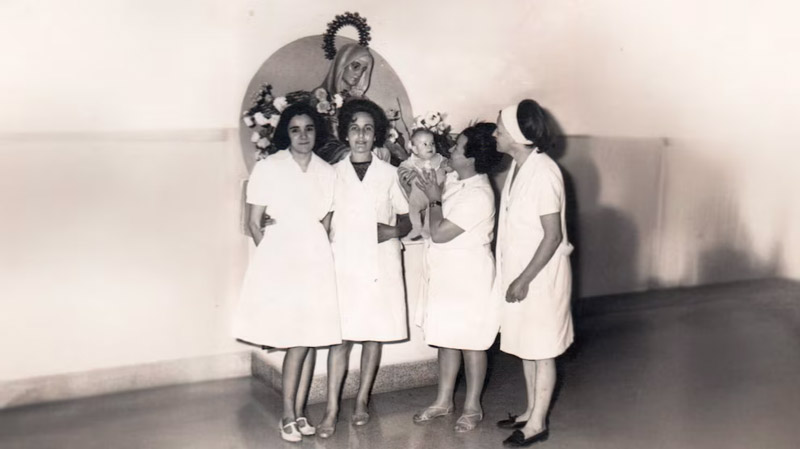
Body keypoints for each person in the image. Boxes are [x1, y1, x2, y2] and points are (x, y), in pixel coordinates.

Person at [232, 103, 340, 443]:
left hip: (315, 258)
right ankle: (288, 415)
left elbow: (326, 222)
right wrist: (275, 262)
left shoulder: (327, 171)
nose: (303, 136)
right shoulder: (269, 167)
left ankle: (299, 412)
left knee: (309, 339)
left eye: (309, 128)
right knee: (296, 339)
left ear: (317, 131)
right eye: (295, 129)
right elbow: (254, 223)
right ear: (285, 134)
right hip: (282, 258)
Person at [318, 99, 412, 438]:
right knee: (340, 339)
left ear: (376, 135)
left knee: (373, 334)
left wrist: (391, 231)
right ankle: (331, 409)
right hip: (344, 264)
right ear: (345, 133)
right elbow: (322, 221)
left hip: (379, 264)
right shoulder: (332, 174)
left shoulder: (389, 174)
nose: (361, 135)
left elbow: (406, 221)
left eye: (368, 129)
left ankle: (361, 400)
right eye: (354, 128)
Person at [407, 122, 502, 432]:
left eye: (457, 147)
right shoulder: (453, 179)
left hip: (469, 276)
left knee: (472, 342)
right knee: (446, 338)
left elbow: (439, 232)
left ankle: (473, 406)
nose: (450, 149)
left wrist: (434, 199)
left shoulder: (480, 194)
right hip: (446, 272)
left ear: (472, 158)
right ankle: (443, 401)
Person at [493, 99, 574, 447]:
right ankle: (530, 410)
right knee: (526, 345)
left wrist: (523, 279)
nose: (495, 134)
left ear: (515, 134)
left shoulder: (544, 172)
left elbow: (552, 236)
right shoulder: (519, 166)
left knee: (542, 349)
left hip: (540, 277)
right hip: (521, 273)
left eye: (499, 129)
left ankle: (537, 424)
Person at [399, 128, 448, 240]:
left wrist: (447, 166)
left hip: (435, 195)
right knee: (413, 209)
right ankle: (416, 227)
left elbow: (450, 166)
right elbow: (401, 169)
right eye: (425, 144)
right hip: (417, 195)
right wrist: (408, 174)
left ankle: (426, 229)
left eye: (432, 143)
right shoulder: (411, 161)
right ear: (415, 149)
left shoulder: (440, 159)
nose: (430, 147)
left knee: (431, 212)